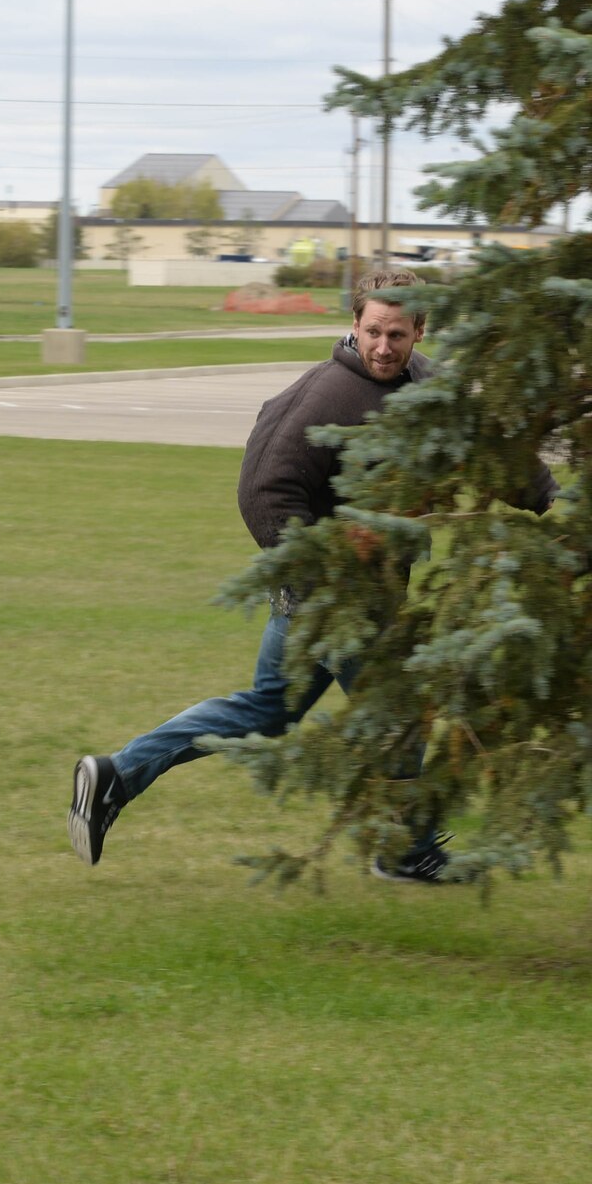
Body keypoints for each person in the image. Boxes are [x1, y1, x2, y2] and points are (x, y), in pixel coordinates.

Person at [67, 269, 555, 882]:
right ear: (354, 325)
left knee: (268, 711)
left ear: (420, 332)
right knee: (400, 711)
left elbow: (489, 446)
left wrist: (551, 502)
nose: (383, 346)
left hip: (354, 599)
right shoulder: (325, 396)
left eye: (397, 334)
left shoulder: (430, 384)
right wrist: (322, 579)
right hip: (333, 601)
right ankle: (406, 851)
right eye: (373, 331)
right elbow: (264, 490)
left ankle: (116, 775)